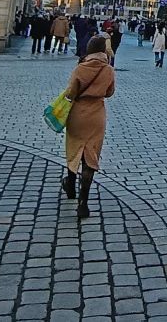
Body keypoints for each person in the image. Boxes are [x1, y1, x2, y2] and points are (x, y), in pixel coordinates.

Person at [60, 35, 117, 219]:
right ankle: (83, 203)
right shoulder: (108, 70)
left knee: (75, 147)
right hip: (96, 114)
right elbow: (109, 93)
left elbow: (70, 93)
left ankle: (70, 185)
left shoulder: (80, 68)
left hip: (78, 113)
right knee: (91, 154)